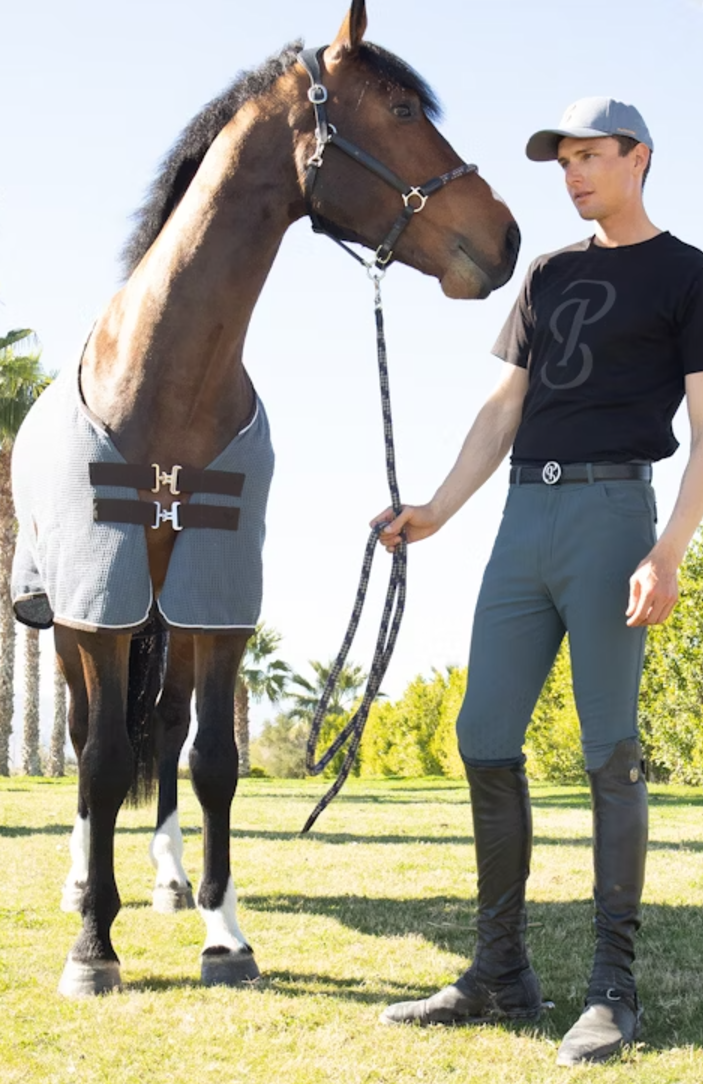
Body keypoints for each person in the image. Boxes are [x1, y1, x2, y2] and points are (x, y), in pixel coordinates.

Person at [372, 97, 703, 1066]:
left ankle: (613, 987)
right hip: (524, 517)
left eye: (590, 156)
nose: (573, 175)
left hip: (612, 517)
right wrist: (435, 507)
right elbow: (502, 405)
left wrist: (669, 547)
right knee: (482, 736)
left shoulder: (686, 275)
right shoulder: (549, 274)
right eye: (563, 161)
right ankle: (499, 971)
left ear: (639, 158)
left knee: (610, 750)